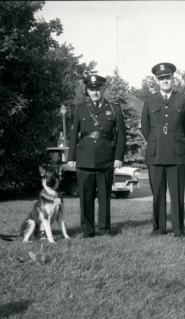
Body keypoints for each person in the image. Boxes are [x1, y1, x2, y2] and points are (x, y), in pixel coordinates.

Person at [68, 75, 126, 238]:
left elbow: (122, 135)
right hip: (84, 157)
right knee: (85, 197)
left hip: (106, 157)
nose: (95, 92)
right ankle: (87, 230)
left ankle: (105, 229)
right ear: (87, 91)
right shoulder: (81, 109)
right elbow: (74, 135)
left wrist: (118, 157)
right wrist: (71, 157)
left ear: (103, 90)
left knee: (104, 195)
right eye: (92, 89)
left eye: (98, 89)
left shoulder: (115, 108)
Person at [141, 62, 185, 238]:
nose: (165, 81)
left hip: (176, 151)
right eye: (161, 78)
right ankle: (159, 228)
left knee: (177, 193)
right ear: (157, 81)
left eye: (168, 78)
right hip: (155, 153)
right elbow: (145, 127)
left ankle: (178, 229)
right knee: (157, 192)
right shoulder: (149, 101)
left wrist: (177, 139)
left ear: (173, 79)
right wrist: (156, 140)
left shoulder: (183, 100)